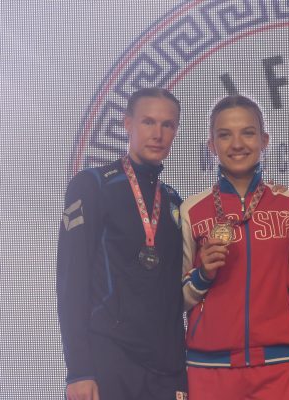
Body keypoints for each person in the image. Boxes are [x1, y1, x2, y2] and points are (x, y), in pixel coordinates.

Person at [180, 95, 289, 399]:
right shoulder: (191, 211)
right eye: (224, 135)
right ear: (211, 145)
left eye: (248, 132)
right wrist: (202, 275)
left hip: (276, 368)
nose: (237, 144)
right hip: (207, 370)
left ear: (264, 140)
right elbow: (172, 299)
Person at [57, 88, 187, 400]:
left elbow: (178, 293)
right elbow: (71, 281)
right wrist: (79, 370)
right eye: (148, 122)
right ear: (127, 123)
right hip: (109, 360)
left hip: (166, 369)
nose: (158, 134)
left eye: (167, 125)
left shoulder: (173, 202)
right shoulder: (92, 185)